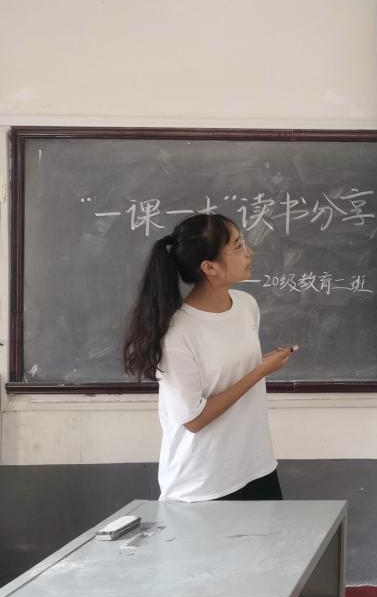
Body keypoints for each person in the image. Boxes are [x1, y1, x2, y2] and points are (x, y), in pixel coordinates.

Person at [121, 213, 295, 502]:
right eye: (238, 247)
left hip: (257, 466)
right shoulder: (178, 332)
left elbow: (231, 369)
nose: (249, 252)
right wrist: (261, 371)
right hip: (203, 482)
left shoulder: (246, 305)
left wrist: (259, 367)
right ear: (209, 267)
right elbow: (194, 420)